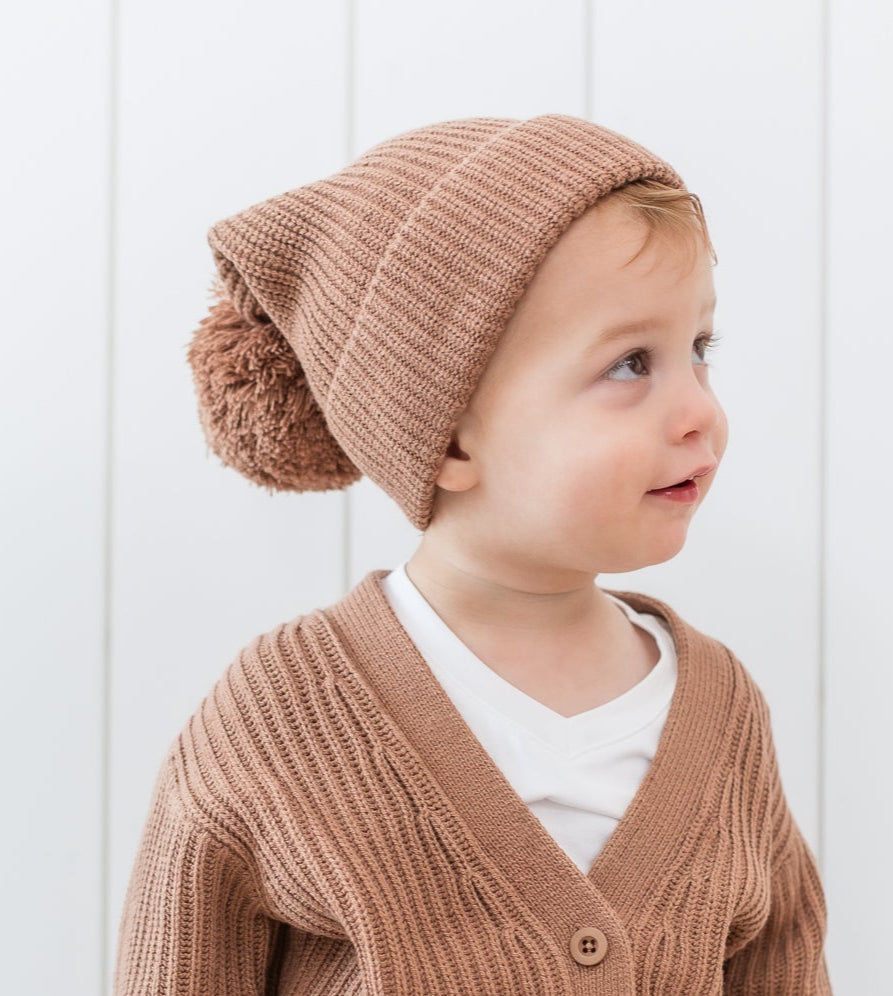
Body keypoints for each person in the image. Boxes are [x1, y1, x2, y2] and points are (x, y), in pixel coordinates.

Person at [113, 113, 831, 995]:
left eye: (699, 351)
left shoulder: (719, 710)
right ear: (448, 437)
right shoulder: (282, 712)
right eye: (631, 364)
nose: (699, 412)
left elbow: (783, 967)